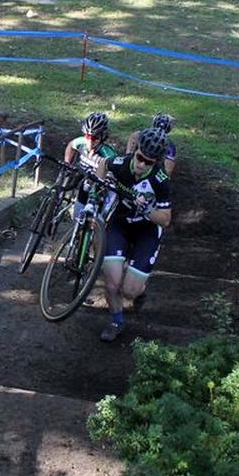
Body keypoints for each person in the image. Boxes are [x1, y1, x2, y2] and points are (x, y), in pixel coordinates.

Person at [91, 126, 173, 342]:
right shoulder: (121, 163)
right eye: (139, 158)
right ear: (135, 151)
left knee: (129, 291)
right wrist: (98, 189)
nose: (141, 164)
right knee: (111, 283)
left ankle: (140, 289)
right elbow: (102, 165)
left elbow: (165, 219)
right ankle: (116, 322)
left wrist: (146, 208)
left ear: (156, 162)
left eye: (148, 162)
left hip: (147, 231)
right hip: (120, 224)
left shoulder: (161, 179)